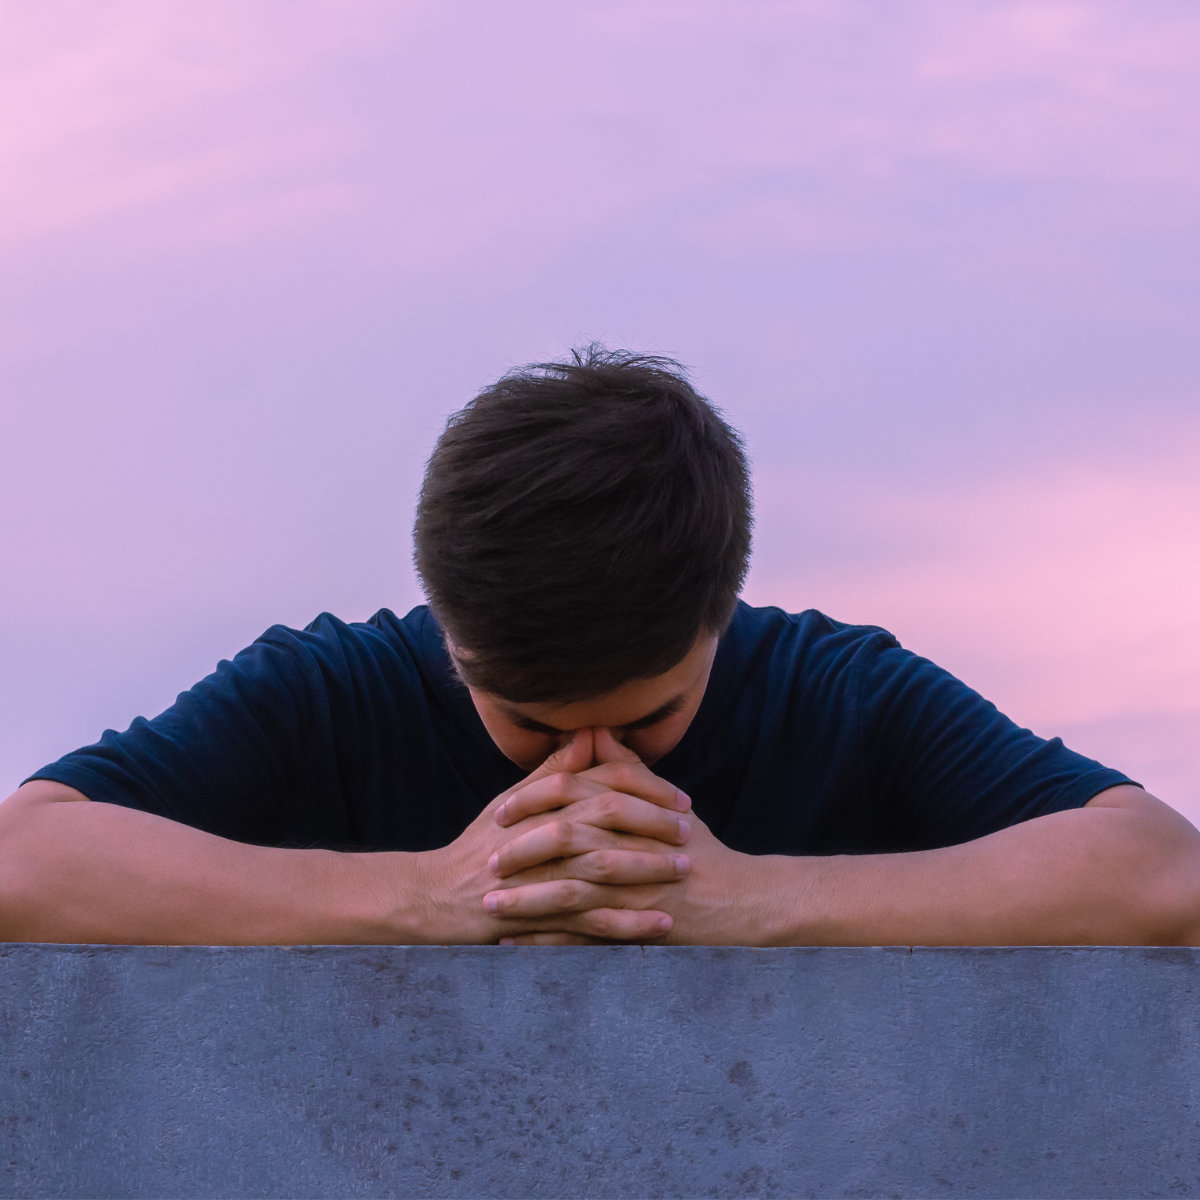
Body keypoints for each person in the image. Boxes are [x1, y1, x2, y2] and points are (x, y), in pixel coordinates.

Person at [2, 348, 1198, 947]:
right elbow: (26, 859)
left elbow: (1161, 872)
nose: (585, 773)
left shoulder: (832, 689)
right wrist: (416, 895)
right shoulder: (329, 689)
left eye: (651, 719)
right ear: (448, 635)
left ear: (723, 618)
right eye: (525, 720)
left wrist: (757, 900)